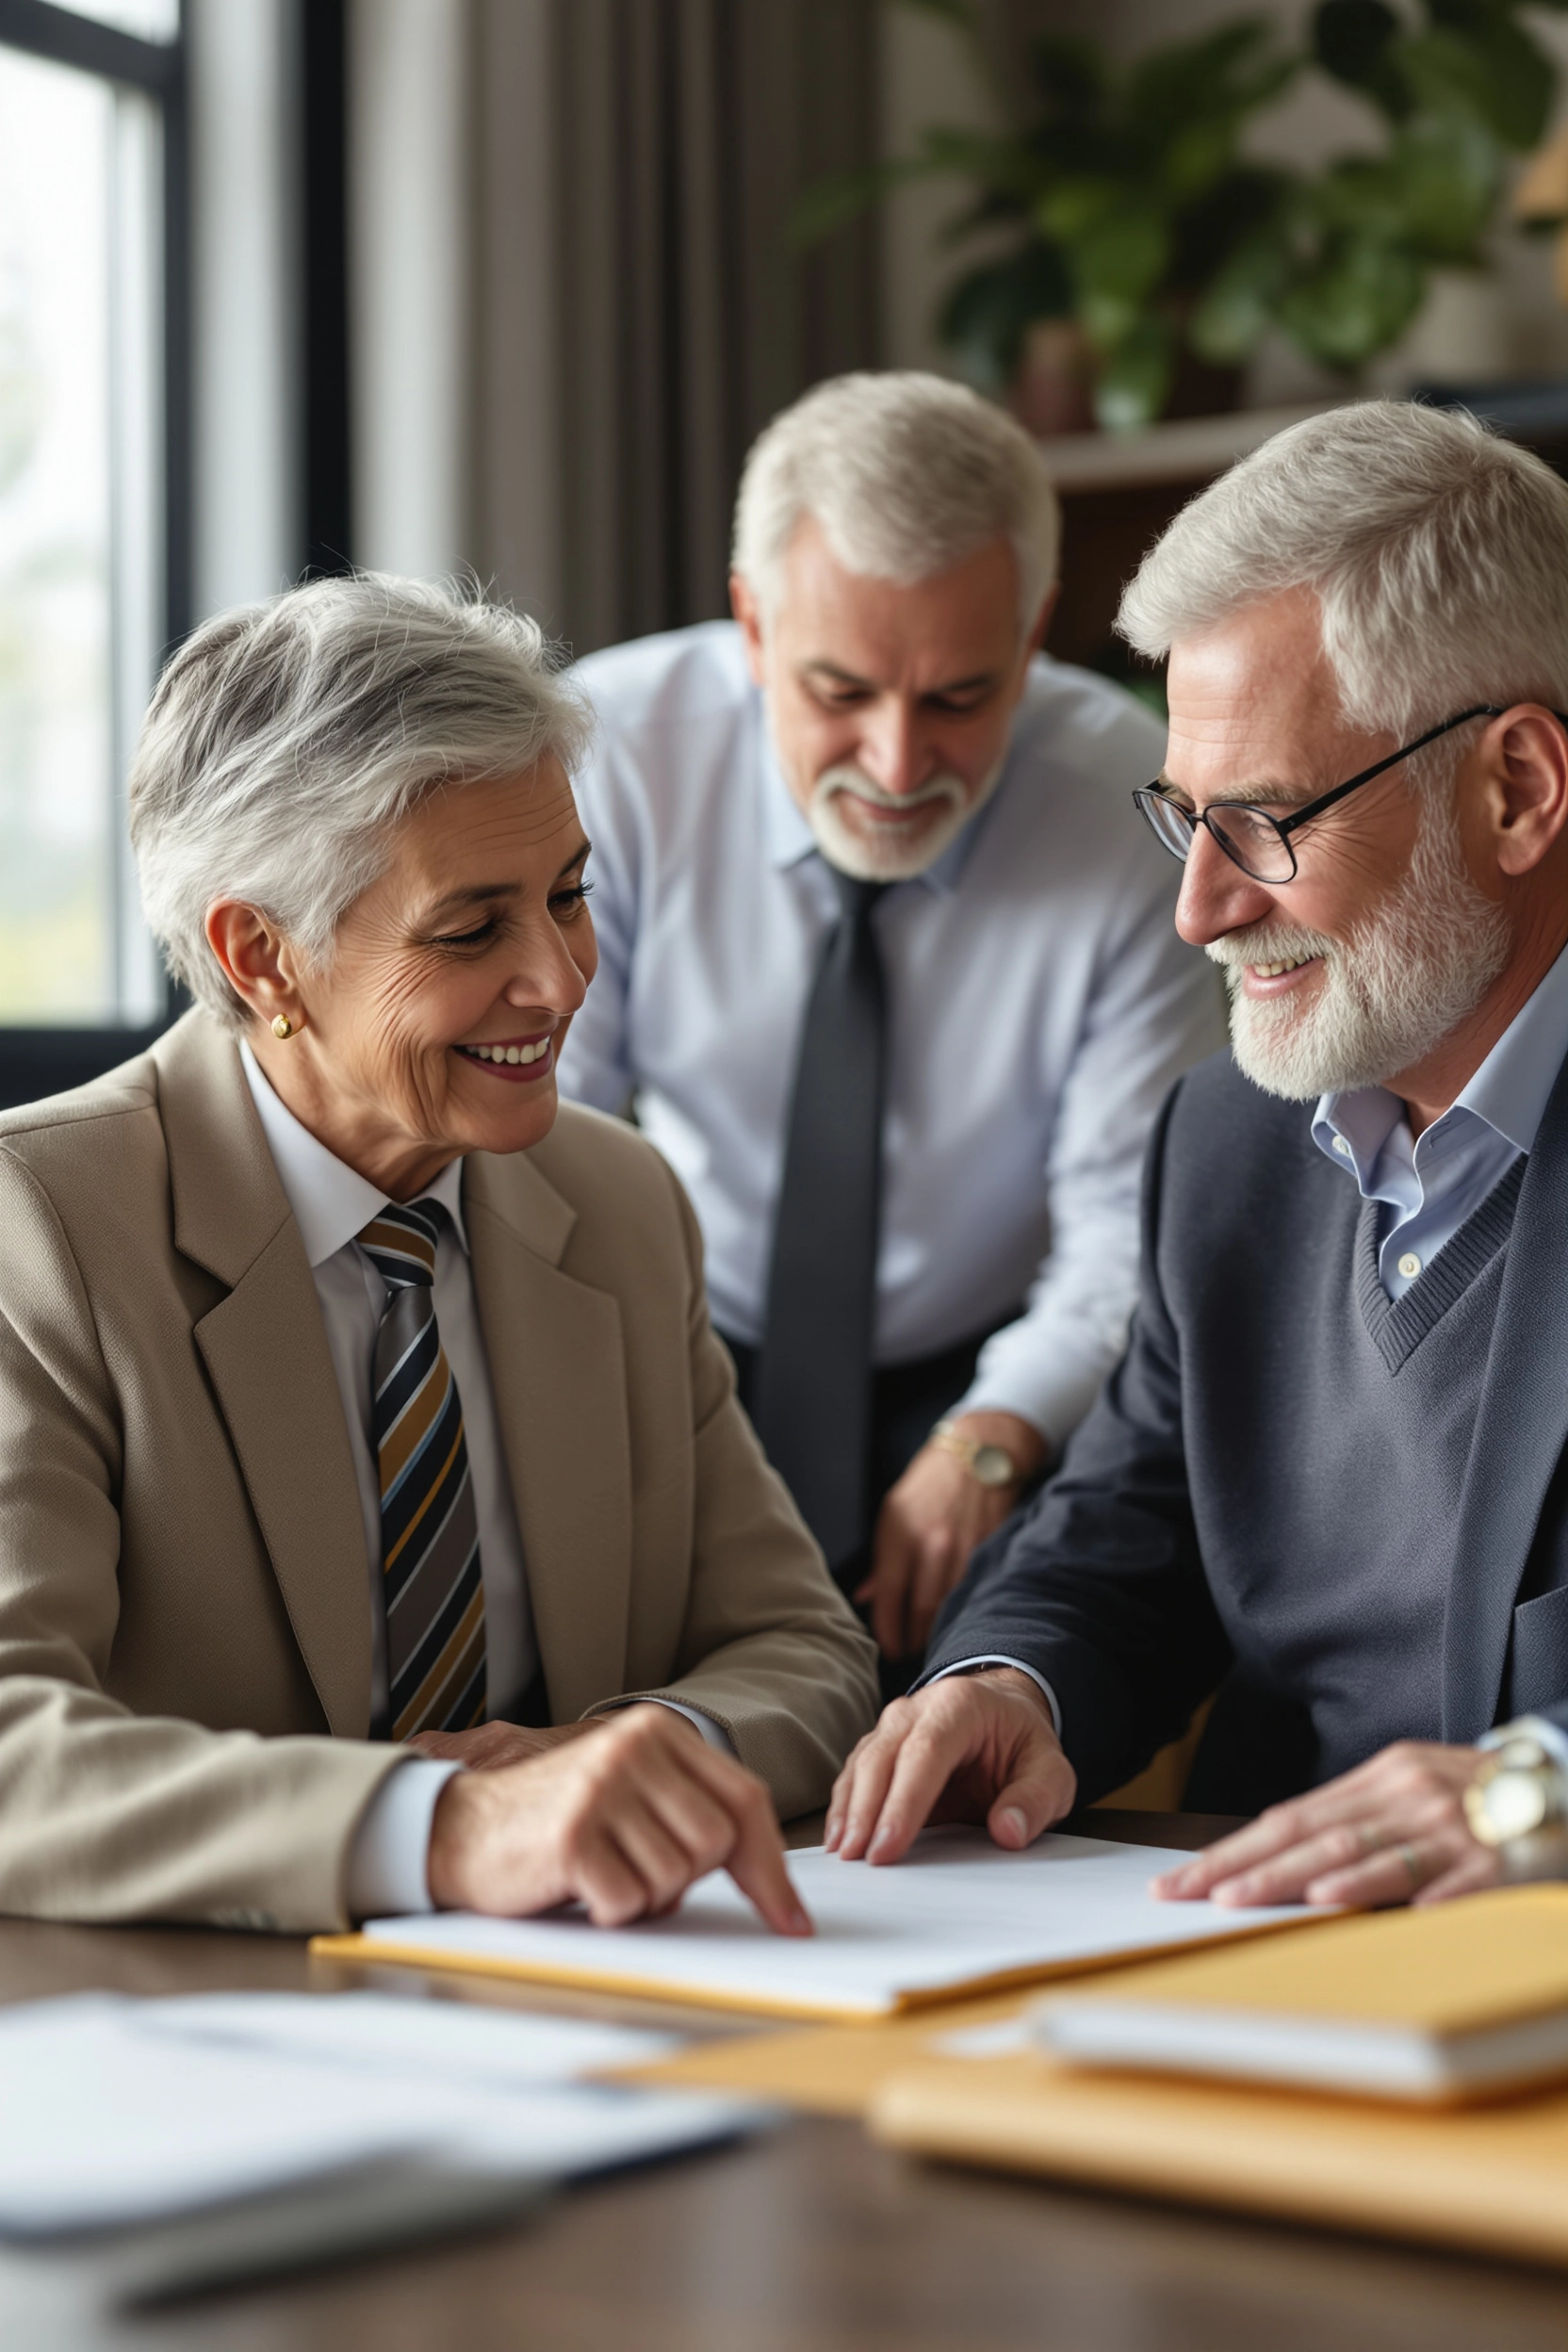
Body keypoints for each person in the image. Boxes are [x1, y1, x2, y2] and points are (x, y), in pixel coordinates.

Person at [0, 575, 877, 1936]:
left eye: (571, 895)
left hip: (600, 1999)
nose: (562, 977)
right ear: (262, 957)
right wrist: (443, 1830)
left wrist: (632, 1764)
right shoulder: (38, 1226)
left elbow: (806, 1649)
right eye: (471, 928)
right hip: (196, 2032)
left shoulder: (622, 1200)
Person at [825, 399, 1568, 1912]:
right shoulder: (1226, 1142)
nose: (1203, 911)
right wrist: (1009, 1686)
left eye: (1271, 822)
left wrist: (1533, 1787)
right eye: (1187, 821)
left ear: (1518, 789)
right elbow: (1123, 1536)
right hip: (1252, 1960)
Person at [561, 372, 1221, 1682]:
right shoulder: (606, 759)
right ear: (752, 626)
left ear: (1034, 635)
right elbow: (543, 1147)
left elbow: (1120, 1235)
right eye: (841, 689)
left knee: (1006, 1689)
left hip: (1000, 1364)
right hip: (682, 1339)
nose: (901, 760)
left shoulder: (1132, 816)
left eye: (963, 697)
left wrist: (994, 1434)